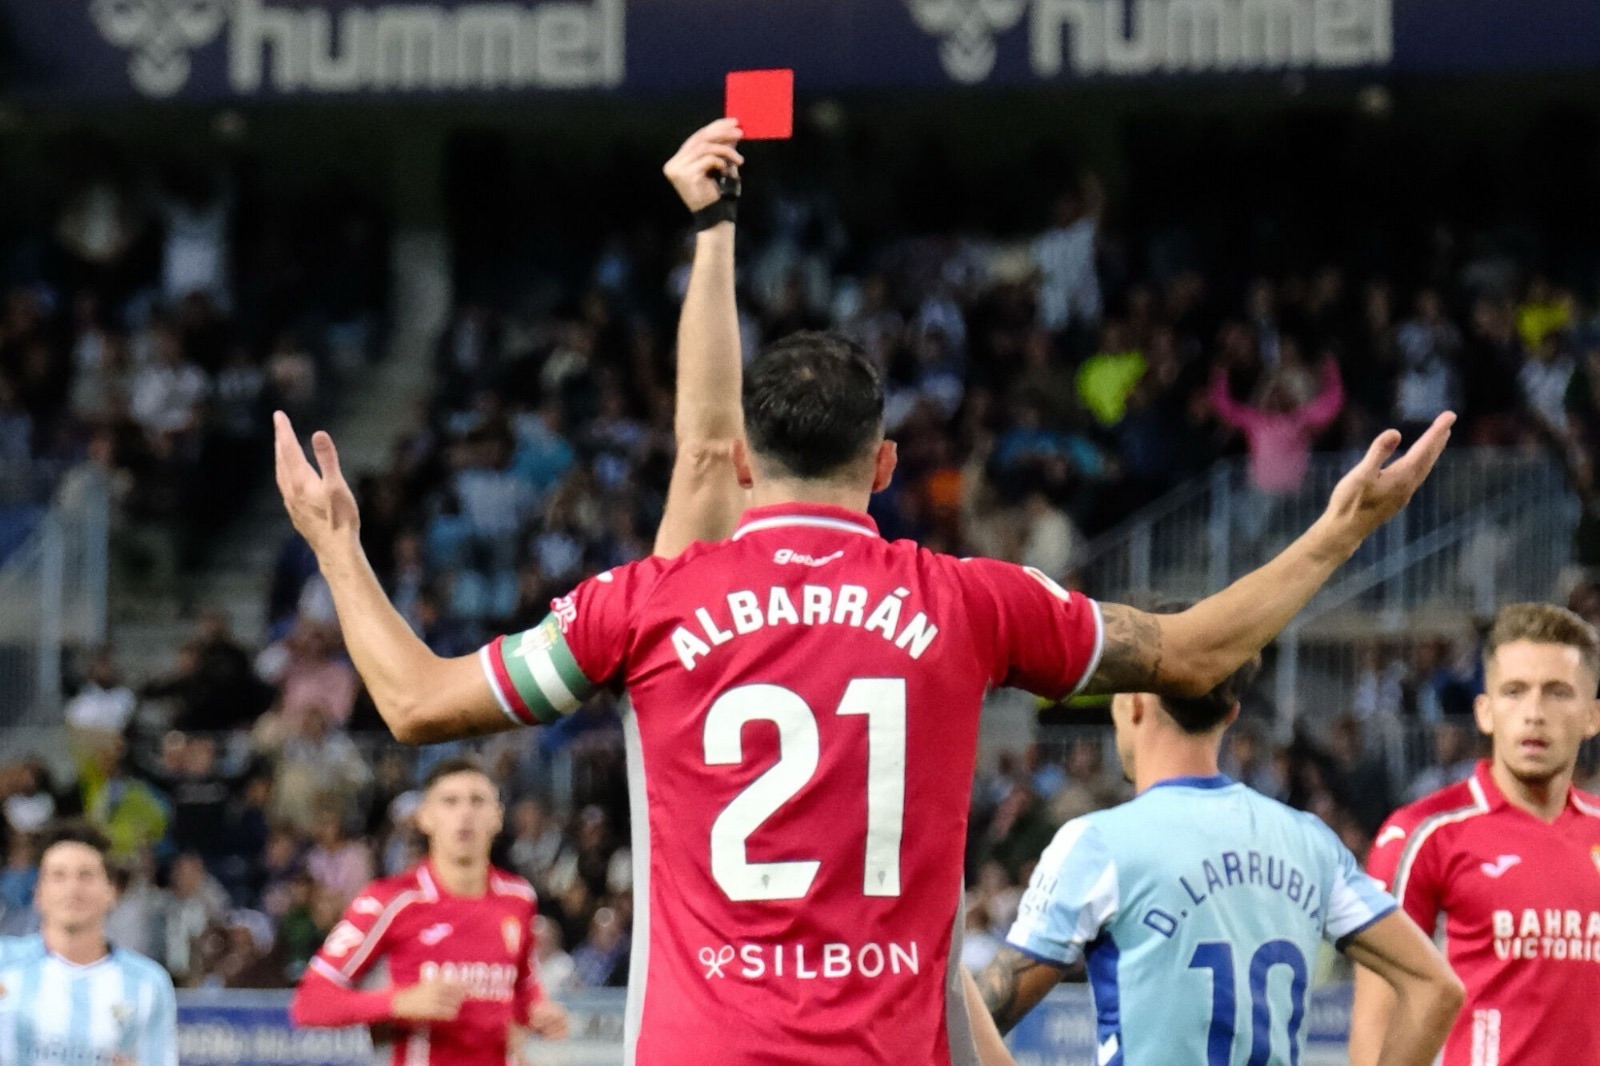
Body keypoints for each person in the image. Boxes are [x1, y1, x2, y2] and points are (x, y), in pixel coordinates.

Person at [272, 121, 1455, 1065]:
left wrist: (336, 541)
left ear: (749, 465)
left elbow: (415, 700)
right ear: (885, 465)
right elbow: (1193, 652)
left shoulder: (645, 602)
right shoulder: (968, 601)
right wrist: (1340, 527)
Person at [972, 605, 1463, 1065]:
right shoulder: (1307, 840)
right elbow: (1436, 986)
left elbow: (975, 1020)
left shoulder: (1098, 844)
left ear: (1134, 702)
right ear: (1230, 714)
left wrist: (943, 960)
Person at [1352, 603, 1600, 1066]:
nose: (1534, 712)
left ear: (1592, 716)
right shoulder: (1423, 834)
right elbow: (1376, 1026)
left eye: (1558, 693)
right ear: (1484, 712)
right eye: (1514, 691)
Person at [289, 756, 569, 1065]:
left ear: (498, 817)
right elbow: (309, 1003)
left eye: (477, 801)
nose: (465, 814)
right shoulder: (390, 900)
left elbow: (523, 989)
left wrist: (539, 1013)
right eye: (450, 802)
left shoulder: (519, 897)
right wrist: (397, 1002)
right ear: (425, 817)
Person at [0, 823, 177, 1065]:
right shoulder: (4, 963)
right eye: (58, 876)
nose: (73, 889)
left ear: (112, 891)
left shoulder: (148, 984)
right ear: (38, 893)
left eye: (86, 876)